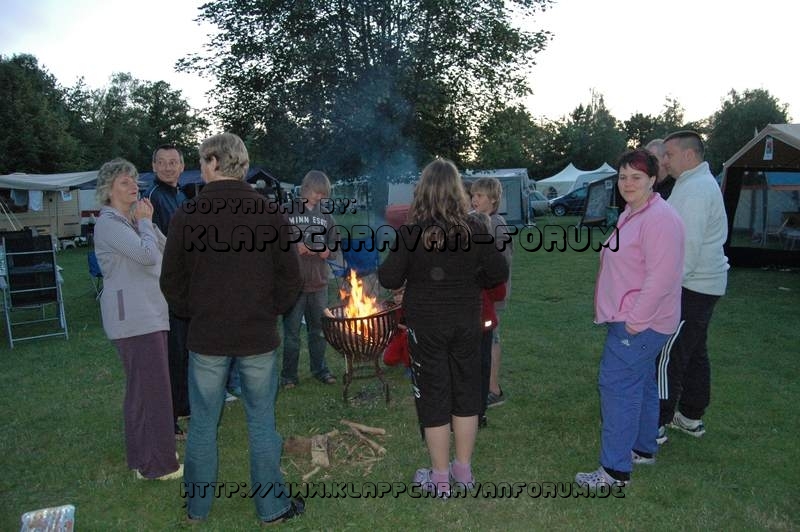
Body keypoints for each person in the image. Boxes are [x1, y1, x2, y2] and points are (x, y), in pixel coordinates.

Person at [160, 133, 305, 524]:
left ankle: (198, 507)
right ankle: (272, 507)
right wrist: (266, 310)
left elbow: (171, 282)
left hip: (209, 335)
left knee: (204, 424)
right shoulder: (269, 212)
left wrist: (197, 311)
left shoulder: (187, 215)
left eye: (202, 161)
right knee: (261, 422)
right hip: (256, 335)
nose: (200, 167)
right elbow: (290, 279)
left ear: (212, 162)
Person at [379, 159, 508, 498]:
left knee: (434, 396)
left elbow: (389, 277)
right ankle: (462, 472)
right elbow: (497, 272)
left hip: (427, 326)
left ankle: (440, 477)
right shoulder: (475, 230)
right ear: (458, 192)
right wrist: (469, 278)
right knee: (466, 393)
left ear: (422, 193)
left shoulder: (412, 233)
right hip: (466, 321)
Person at [575, 149, 684, 489]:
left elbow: (661, 277)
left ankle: (614, 471)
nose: (627, 183)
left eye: (636, 176)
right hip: (635, 318)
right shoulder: (633, 212)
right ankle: (643, 448)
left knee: (617, 388)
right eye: (623, 176)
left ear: (653, 179)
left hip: (639, 322)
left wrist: (635, 321)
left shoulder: (660, 218)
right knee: (642, 384)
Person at [93, 158, 182, 481]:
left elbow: (165, 250)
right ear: (108, 190)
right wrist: (145, 223)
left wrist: (148, 224)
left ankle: (143, 458)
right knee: (152, 391)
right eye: (124, 182)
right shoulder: (109, 224)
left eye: (133, 180)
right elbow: (145, 256)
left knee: (143, 391)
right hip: (133, 319)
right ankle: (157, 465)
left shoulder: (129, 221)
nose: (133, 186)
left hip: (149, 314)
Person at [658, 130, 729, 440]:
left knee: (668, 354)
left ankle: (655, 424)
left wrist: (665, 288)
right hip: (703, 285)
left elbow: (687, 246)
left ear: (689, 156)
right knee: (695, 351)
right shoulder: (692, 184)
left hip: (691, 286)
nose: (664, 161)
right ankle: (690, 416)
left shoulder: (697, 189)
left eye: (669, 155)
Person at [146, 144, 191, 439]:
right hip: (166, 287)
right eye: (162, 162)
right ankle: (170, 419)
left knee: (185, 349)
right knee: (171, 353)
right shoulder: (152, 198)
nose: (168, 167)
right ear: (153, 167)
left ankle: (184, 405)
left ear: (182, 166)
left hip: (186, 284)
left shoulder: (182, 196)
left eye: (173, 162)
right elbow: (155, 242)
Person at [281, 170, 339, 388]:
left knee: (318, 331)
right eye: (317, 193)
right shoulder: (287, 212)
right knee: (292, 335)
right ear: (305, 188)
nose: (320, 198)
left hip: (319, 283)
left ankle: (320, 369)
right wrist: (295, 247)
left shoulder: (326, 216)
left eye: (323, 195)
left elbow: (335, 244)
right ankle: (288, 375)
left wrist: (327, 250)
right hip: (294, 284)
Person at [470, 177, 513, 408]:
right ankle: (482, 383)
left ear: (494, 199)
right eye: (473, 194)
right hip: (481, 295)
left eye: (480, 195)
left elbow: (501, 264)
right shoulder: (479, 220)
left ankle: (494, 389)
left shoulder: (496, 223)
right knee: (482, 340)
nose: (474, 199)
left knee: (492, 338)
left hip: (493, 294)